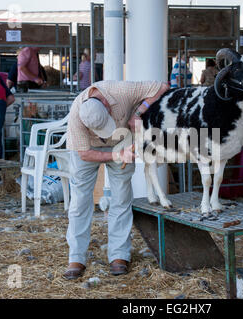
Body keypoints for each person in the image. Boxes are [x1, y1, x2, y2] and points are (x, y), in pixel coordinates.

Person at [63, 80, 170, 280]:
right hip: (89, 151)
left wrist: (139, 112)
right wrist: (117, 155)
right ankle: (76, 257)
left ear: (105, 103)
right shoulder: (77, 112)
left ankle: (119, 255)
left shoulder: (121, 91)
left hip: (122, 140)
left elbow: (163, 86)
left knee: (121, 199)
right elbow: (85, 154)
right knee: (79, 202)